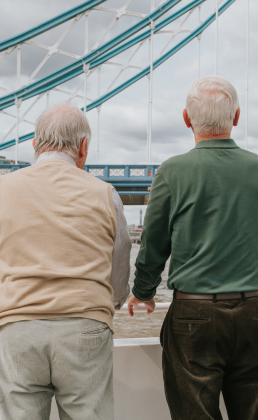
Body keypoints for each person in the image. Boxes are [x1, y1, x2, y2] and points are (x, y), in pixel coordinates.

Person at [128, 76, 258, 420]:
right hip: (257, 308)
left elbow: (153, 244)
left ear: (186, 118)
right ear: (236, 117)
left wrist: (144, 291)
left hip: (194, 316)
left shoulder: (171, 172)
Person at [0, 103, 132, 420]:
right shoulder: (106, 193)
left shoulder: (3, 189)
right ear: (83, 147)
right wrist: (109, 302)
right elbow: (120, 262)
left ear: (34, 143)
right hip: (85, 327)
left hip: (17, 328)